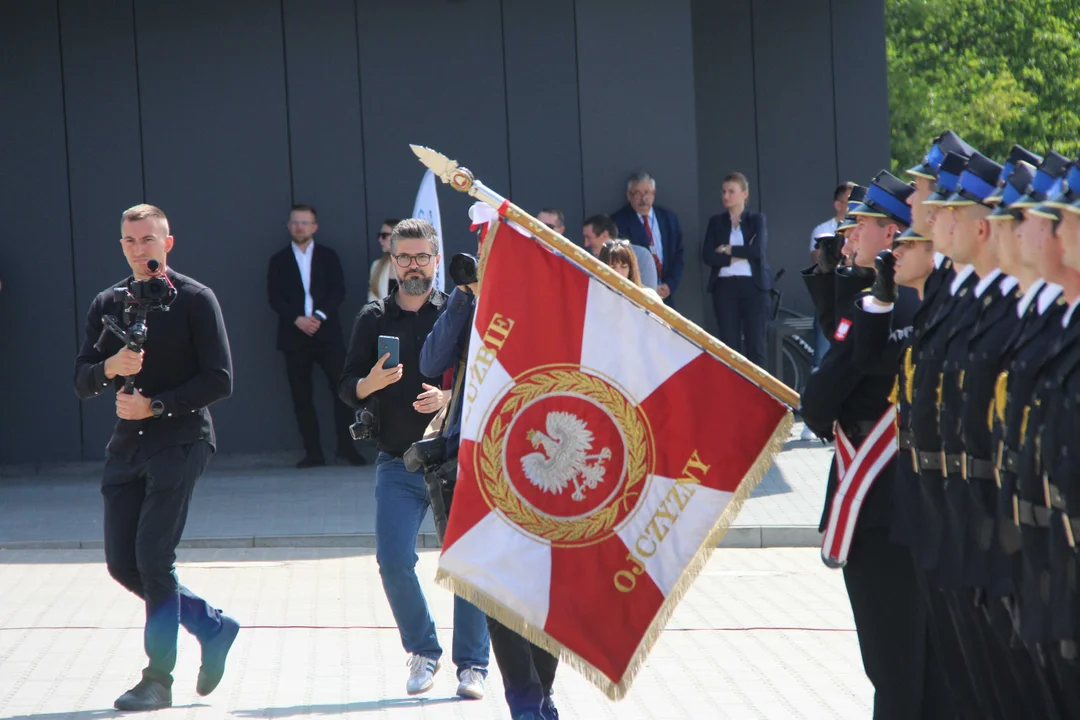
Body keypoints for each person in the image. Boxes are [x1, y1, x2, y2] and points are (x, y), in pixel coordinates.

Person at [73, 204, 239, 711]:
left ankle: (157, 679)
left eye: (148, 240)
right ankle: (212, 627)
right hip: (127, 446)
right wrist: (109, 368)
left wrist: (158, 404)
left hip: (182, 439)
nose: (138, 249)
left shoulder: (195, 299)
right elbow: (82, 381)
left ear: (168, 243)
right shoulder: (109, 303)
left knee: (153, 559)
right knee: (124, 565)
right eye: (129, 241)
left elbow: (221, 379)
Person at [337, 218, 490, 698]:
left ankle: (473, 665)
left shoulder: (460, 308)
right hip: (396, 461)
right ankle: (423, 650)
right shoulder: (374, 317)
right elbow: (346, 387)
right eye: (404, 257)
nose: (414, 265)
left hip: (452, 460)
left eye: (423, 256)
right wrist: (370, 386)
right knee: (393, 560)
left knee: (466, 562)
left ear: (436, 259)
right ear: (392, 260)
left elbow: (483, 378)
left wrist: (448, 401)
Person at [800, 171, 927, 718]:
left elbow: (821, 402)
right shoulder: (921, 302)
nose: (850, 237)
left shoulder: (878, 306)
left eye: (862, 227)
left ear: (892, 235)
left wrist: (847, 301)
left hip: (879, 505)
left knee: (891, 662)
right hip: (918, 498)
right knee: (922, 657)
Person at [420, 247, 560, 720]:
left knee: (544, 591)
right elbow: (430, 360)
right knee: (494, 589)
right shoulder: (469, 306)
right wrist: (465, 297)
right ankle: (525, 703)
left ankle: (544, 693)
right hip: (476, 463)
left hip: (541, 465)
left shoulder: (544, 307)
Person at [268, 204, 364, 469]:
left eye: (305, 222)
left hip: (327, 334)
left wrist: (319, 316)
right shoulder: (278, 260)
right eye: (296, 222)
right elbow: (274, 297)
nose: (300, 227)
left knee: (342, 393)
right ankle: (313, 453)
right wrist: (296, 319)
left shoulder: (328, 256)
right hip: (293, 337)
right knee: (302, 396)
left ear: (314, 227)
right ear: (289, 226)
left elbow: (338, 290)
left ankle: (347, 448)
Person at [701, 172, 772, 367]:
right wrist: (742, 252)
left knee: (756, 345)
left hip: (753, 287)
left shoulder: (756, 219)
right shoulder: (716, 222)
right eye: (723, 191)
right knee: (729, 346)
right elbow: (708, 255)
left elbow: (757, 251)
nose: (726, 196)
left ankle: (760, 394)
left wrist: (726, 249)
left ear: (744, 194)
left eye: (731, 191)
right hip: (725, 287)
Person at [611, 172, 684, 305]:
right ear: (629, 195)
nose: (643, 199)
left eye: (647, 193)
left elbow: (678, 254)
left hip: (667, 295)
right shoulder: (618, 222)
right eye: (637, 194)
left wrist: (670, 285)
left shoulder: (669, 218)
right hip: (638, 297)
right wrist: (649, 287)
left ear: (654, 193)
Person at [582, 214, 658, 289]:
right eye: (612, 267)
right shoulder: (590, 260)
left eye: (624, 267)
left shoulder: (642, 256)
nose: (586, 244)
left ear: (605, 235)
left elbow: (648, 297)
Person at [597, 238, 662, 301]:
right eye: (613, 267)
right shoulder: (593, 296)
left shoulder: (649, 298)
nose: (618, 273)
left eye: (623, 267)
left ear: (631, 269)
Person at [368, 218, 401, 302]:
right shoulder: (377, 266)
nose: (380, 240)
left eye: (384, 236)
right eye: (379, 235)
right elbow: (373, 298)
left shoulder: (413, 265)